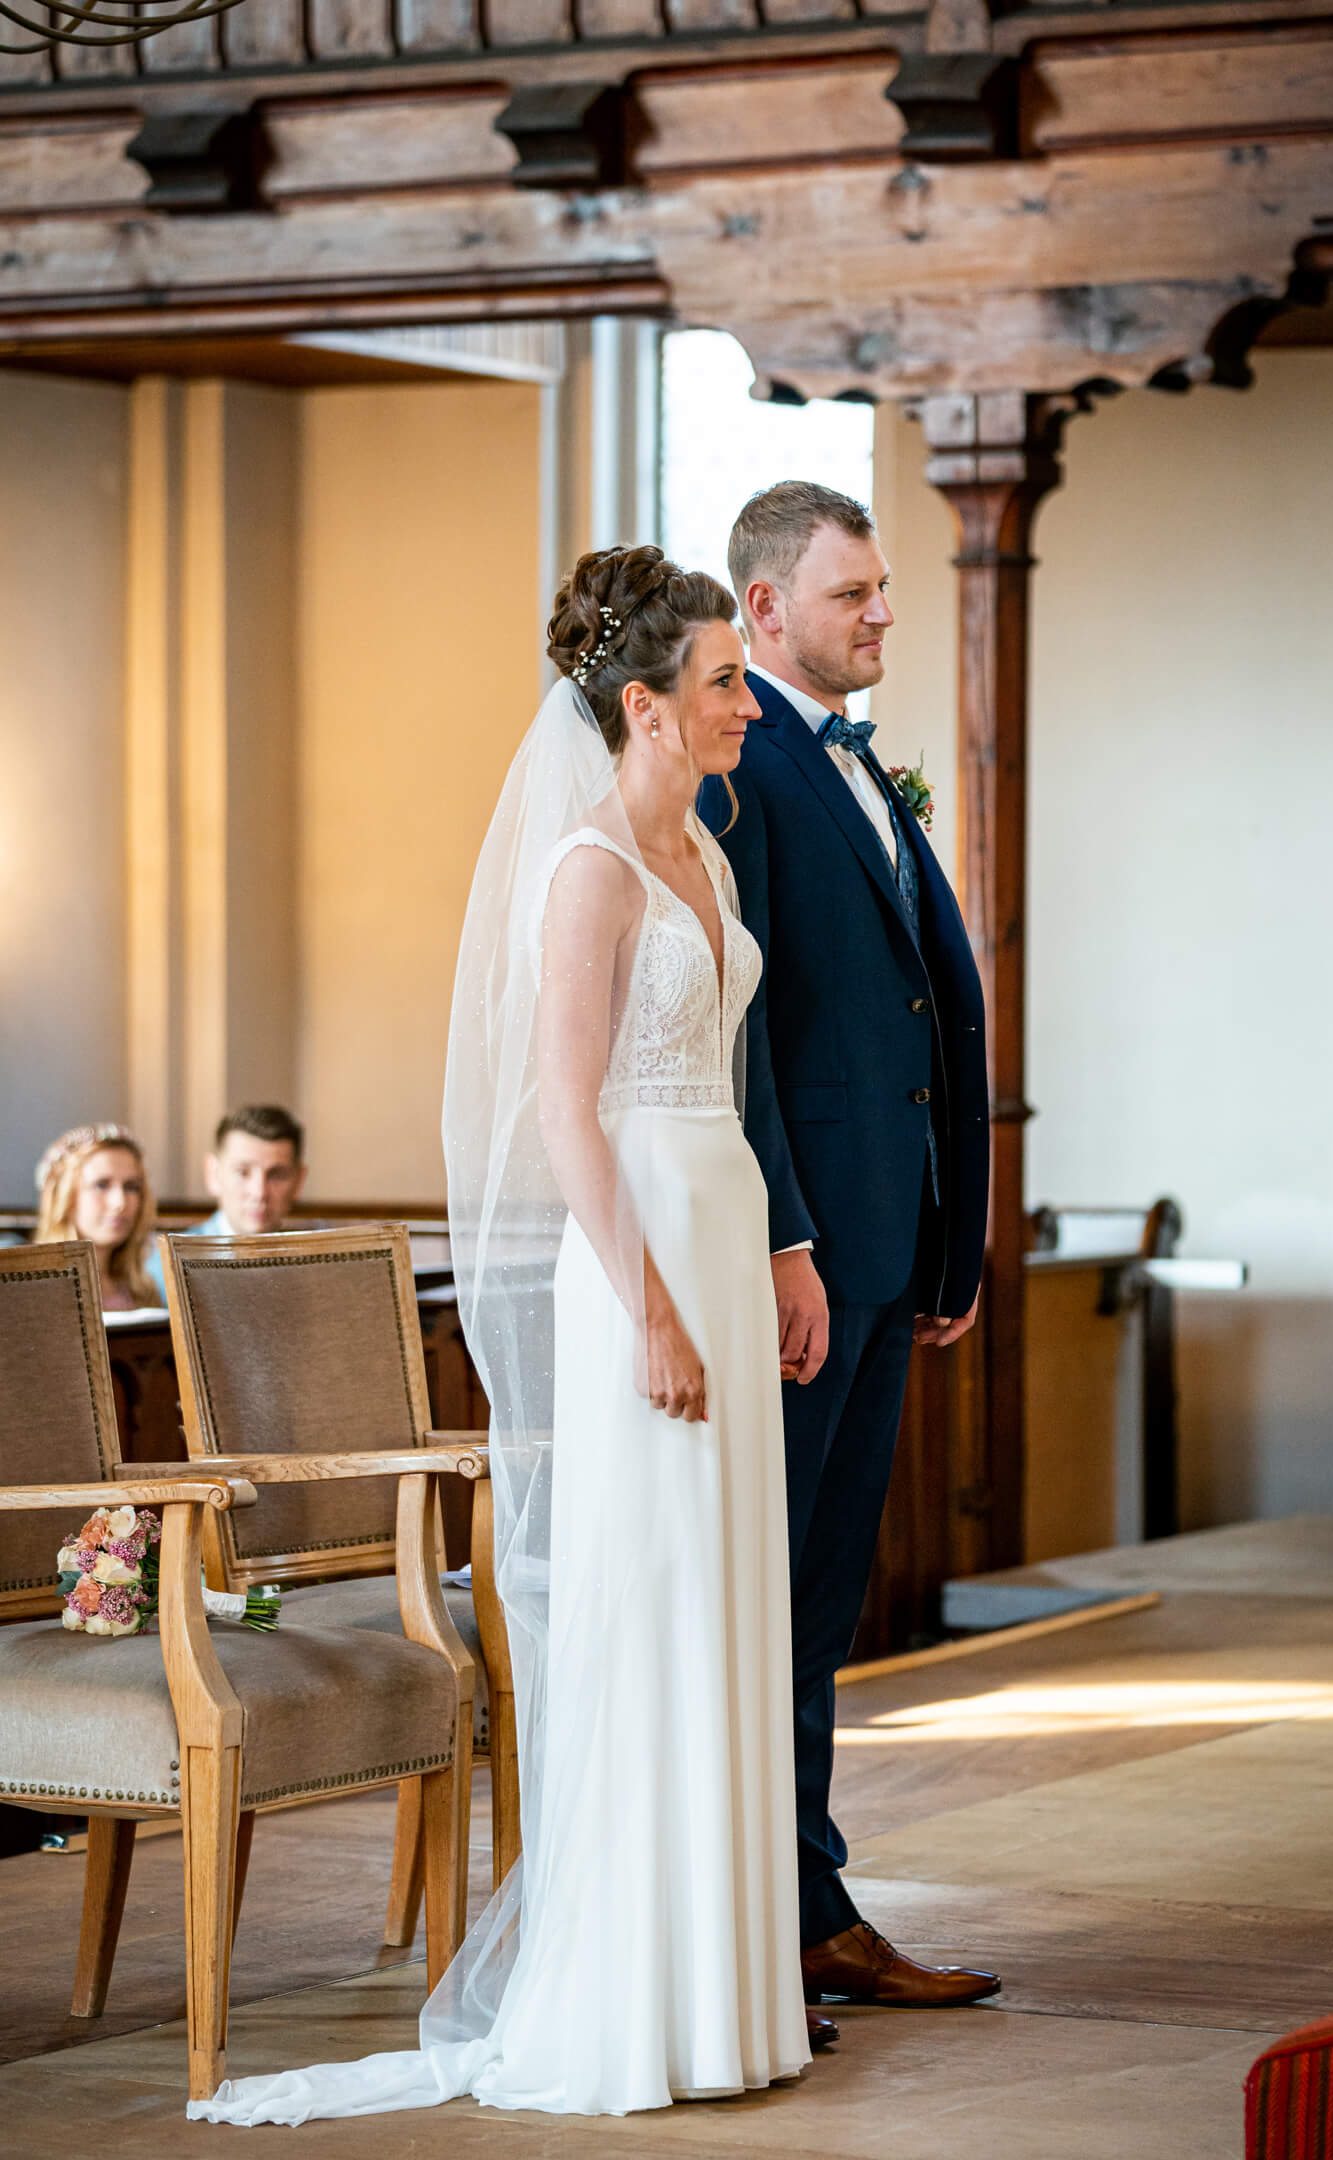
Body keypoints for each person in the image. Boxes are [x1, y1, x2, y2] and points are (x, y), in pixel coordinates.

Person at [190, 543, 825, 2130]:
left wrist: (764, 1258)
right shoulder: (592, 870)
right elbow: (564, 1106)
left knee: (730, 1607)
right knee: (653, 1608)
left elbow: (727, 1086)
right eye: (725, 681)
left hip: (723, 1227)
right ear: (645, 705)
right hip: (641, 1265)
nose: (747, 700)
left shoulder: (714, 858)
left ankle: (725, 2002)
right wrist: (658, 1308)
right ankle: (628, 2004)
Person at [698, 480, 1000, 2009]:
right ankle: (770, 1923)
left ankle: (810, 1909)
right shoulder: (736, 760)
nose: (884, 613)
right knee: (777, 1600)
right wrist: (788, 1237)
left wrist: (953, 1241)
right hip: (802, 1267)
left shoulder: (857, 763)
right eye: (852, 594)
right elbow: (734, 1028)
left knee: (825, 1598)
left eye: (883, 589)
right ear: (762, 611)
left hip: (892, 1252)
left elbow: (924, 1014)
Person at [34, 1122, 167, 1310]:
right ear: (63, 1196)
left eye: (131, 1187)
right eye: (102, 1185)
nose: (119, 1202)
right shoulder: (35, 1293)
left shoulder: (146, 1291)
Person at [193, 1105, 307, 1236]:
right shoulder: (168, 1256)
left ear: (299, 1181)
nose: (259, 1193)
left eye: (276, 1175)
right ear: (213, 1174)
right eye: (242, 1172)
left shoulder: (319, 1256)